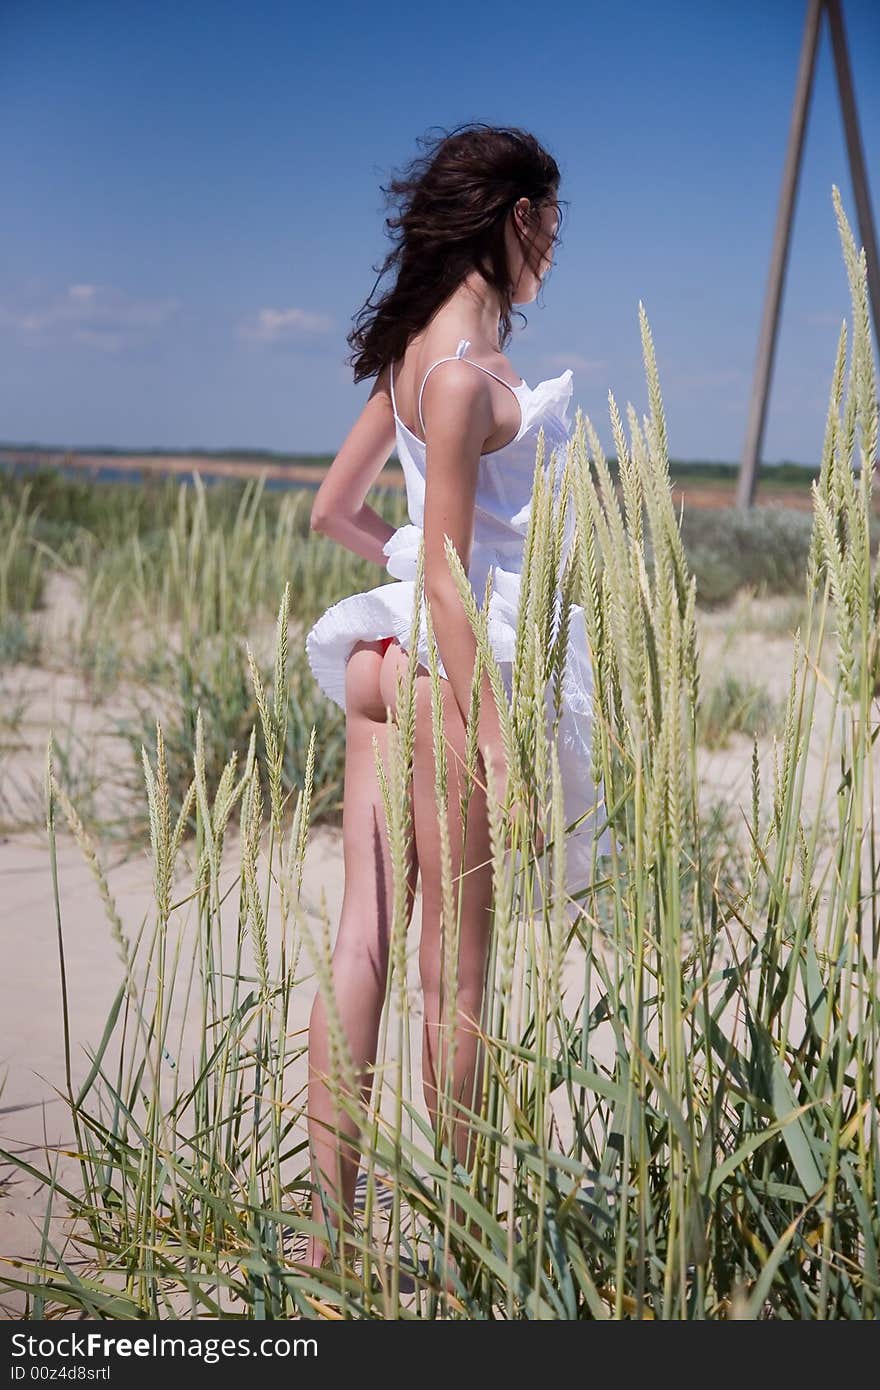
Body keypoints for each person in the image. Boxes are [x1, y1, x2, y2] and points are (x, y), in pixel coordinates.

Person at [302, 122, 612, 1277]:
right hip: (450, 669)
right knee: (457, 968)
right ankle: (463, 1250)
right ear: (517, 217)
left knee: (364, 940)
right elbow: (445, 569)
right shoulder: (466, 375)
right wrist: (498, 740)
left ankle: (328, 1248)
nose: (553, 249)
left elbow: (337, 513)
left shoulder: (410, 359)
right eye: (551, 225)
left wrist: (411, 583)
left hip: (390, 661)